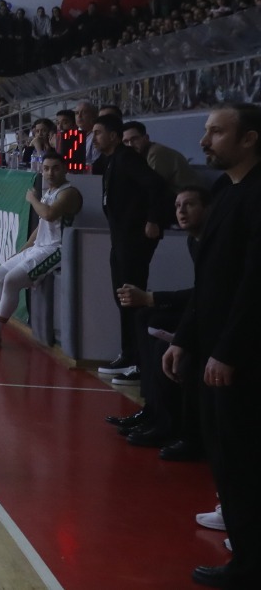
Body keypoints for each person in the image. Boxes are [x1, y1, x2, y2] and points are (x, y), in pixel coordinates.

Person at [164, 104, 261, 589]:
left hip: (242, 357)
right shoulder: (225, 191)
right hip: (213, 348)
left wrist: (228, 351)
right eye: (206, 131)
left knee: (243, 459)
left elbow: (252, 284)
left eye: (217, 132)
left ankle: (251, 567)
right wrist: (185, 338)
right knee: (225, 457)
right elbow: (209, 281)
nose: (205, 141)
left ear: (249, 139)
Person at [114, 185, 209, 459]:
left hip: (213, 314)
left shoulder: (214, 241)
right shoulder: (193, 241)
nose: (181, 211)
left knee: (162, 343)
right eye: (178, 206)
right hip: (200, 308)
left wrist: (153, 297)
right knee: (145, 317)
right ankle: (152, 409)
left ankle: (172, 427)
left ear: (208, 209)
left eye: (189, 205)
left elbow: (205, 293)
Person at [0, 152, 82, 349]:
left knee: (11, 280)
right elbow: (41, 226)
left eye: (55, 168)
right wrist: (24, 249)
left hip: (56, 249)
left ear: (65, 169)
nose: (50, 173)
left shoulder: (68, 192)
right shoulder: (49, 192)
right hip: (39, 247)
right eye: (46, 169)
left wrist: (32, 199)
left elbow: (49, 214)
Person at [93, 112, 175, 382]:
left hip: (133, 239)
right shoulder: (111, 161)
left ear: (114, 136)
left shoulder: (128, 159)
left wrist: (153, 220)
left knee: (132, 296)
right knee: (122, 297)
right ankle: (128, 353)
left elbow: (156, 184)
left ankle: (140, 362)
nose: (94, 138)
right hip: (120, 238)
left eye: (98, 133)